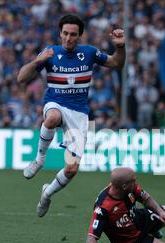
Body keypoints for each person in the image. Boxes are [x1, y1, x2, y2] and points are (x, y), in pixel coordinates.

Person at [17, 14, 126, 216]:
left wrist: (120, 47)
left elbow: (116, 64)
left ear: (80, 36)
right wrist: (37, 60)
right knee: (51, 118)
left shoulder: (90, 53)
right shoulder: (50, 52)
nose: (68, 38)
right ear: (60, 33)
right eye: (65, 33)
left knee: (71, 170)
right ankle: (39, 160)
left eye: (73, 34)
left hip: (79, 114)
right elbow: (21, 78)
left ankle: (46, 194)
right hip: (55, 103)